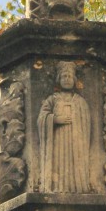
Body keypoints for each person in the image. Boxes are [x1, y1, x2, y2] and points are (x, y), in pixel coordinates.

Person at [38, 61, 90, 193]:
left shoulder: (80, 101)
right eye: (64, 76)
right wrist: (54, 119)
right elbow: (42, 118)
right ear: (58, 79)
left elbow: (86, 123)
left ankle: (76, 187)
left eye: (69, 77)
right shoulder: (53, 99)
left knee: (74, 163)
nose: (67, 79)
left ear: (74, 80)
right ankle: (56, 187)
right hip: (58, 139)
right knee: (58, 162)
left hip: (75, 141)